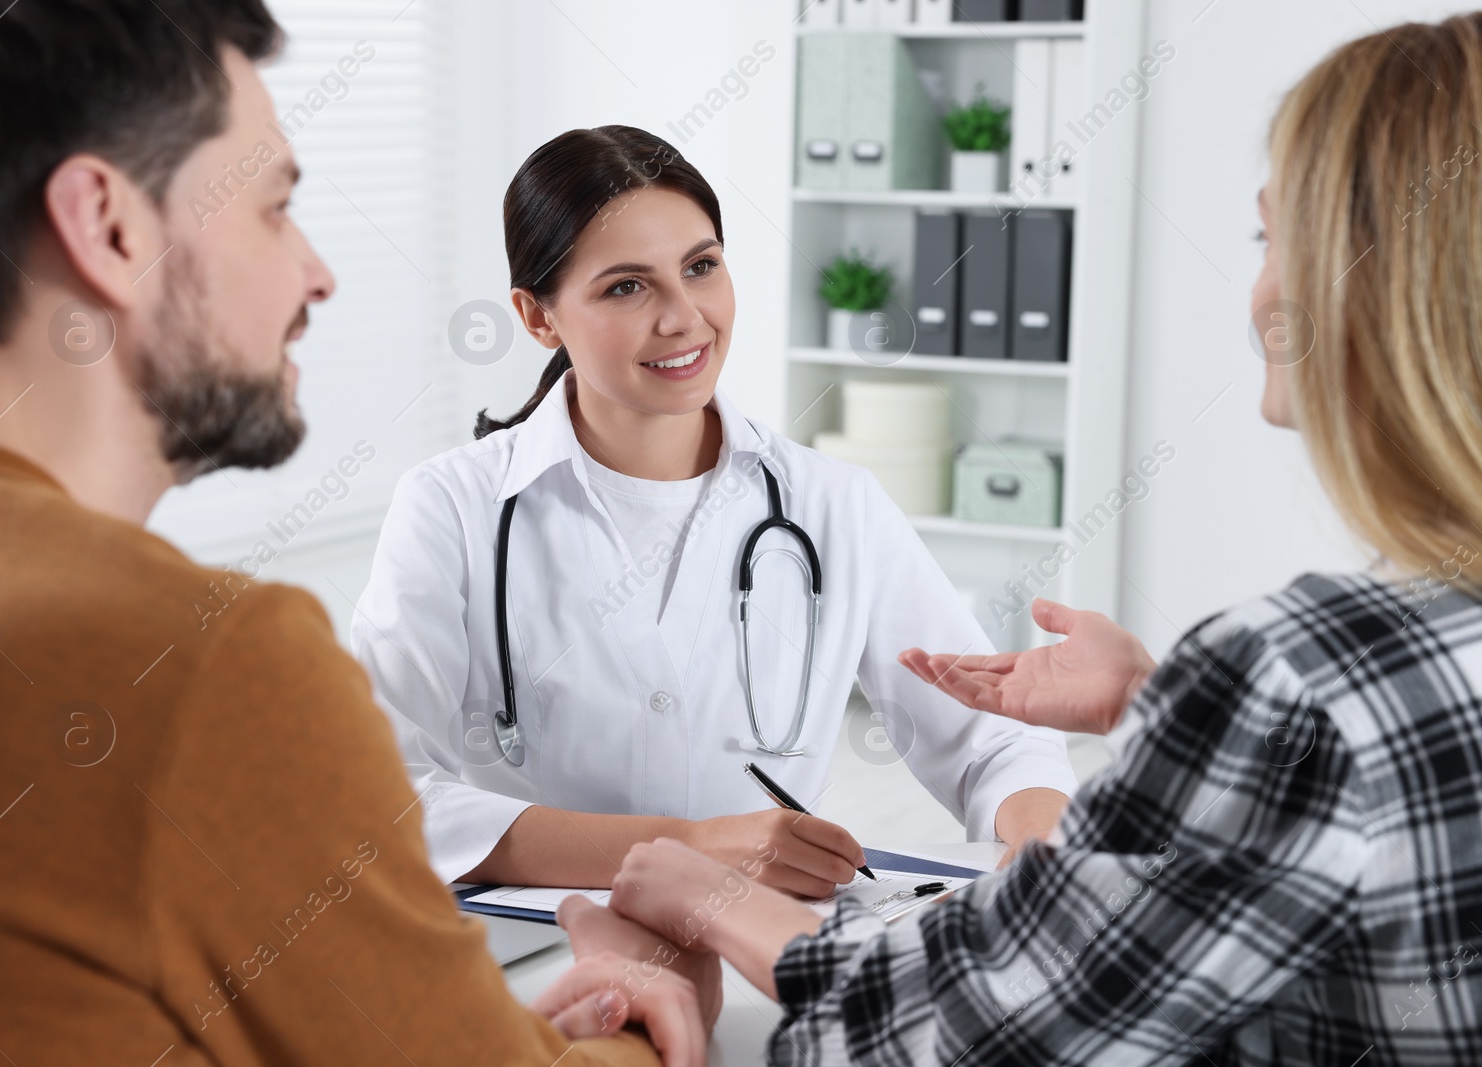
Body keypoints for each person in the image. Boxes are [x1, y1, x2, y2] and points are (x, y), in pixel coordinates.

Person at [560, 12, 1482, 1065]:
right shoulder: (1357, 669)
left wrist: (706, 892)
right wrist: (1175, 708)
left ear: (1380, 282)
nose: (1262, 285)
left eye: (1275, 237)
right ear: (538, 317)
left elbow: (956, 1035)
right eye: (626, 285)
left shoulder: (1302, 673)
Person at [0, 2, 712, 1064]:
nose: (315, 274)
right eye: (271, 208)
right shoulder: (201, 665)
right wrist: (641, 1014)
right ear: (110, 226)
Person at [351, 125, 1074, 895]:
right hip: (541, 961)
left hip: (773, 946)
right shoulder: (451, 509)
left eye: (701, 267)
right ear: (538, 317)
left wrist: (1039, 841)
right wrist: (691, 845)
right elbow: (379, 793)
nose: (684, 317)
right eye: (626, 286)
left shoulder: (833, 505)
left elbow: (991, 738)